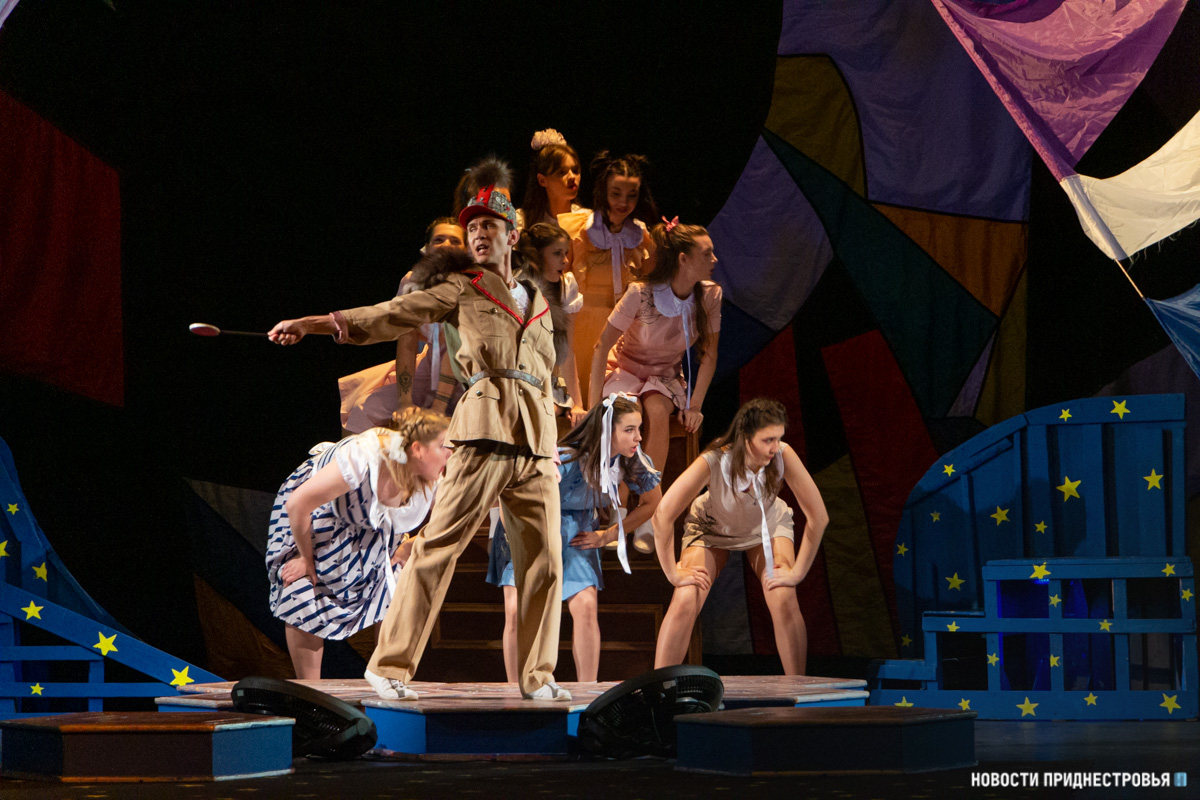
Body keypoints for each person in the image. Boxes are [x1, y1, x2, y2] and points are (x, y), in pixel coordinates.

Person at [269, 184, 570, 701]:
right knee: (438, 547)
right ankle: (390, 666)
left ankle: (538, 677)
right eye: (472, 227)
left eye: (489, 225)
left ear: (513, 236)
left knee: (546, 562)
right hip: (484, 429)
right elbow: (392, 314)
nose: (478, 233)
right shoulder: (463, 288)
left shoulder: (539, 302)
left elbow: (544, 375)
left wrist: (554, 439)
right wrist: (316, 325)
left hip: (536, 442)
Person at [266, 407, 452, 679]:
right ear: (417, 449)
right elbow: (298, 504)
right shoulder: (365, 456)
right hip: (322, 514)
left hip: (375, 531)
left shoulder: (435, 477)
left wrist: (410, 545)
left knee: (396, 585)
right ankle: (309, 688)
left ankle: (386, 678)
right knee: (302, 589)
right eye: (443, 446)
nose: (450, 454)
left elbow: (455, 520)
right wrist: (306, 558)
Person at [488, 394, 661, 682]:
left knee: (585, 606)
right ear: (607, 431)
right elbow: (512, 495)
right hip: (528, 528)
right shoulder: (566, 458)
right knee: (517, 610)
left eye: (639, 429)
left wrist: (607, 536)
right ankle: (515, 689)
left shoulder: (633, 460)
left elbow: (652, 503)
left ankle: (587, 691)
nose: (638, 437)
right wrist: (524, 542)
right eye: (629, 430)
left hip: (577, 531)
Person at [651, 399, 828, 675]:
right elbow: (662, 515)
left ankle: (798, 687)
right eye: (767, 440)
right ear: (746, 438)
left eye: (778, 438)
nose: (775, 447)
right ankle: (660, 688)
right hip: (711, 528)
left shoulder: (783, 455)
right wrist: (673, 573)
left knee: (782, 594)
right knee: (687, 595)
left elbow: (819, 517)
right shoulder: (714, 460)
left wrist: (797, 573)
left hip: (765, 526)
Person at [588, 221, 722, 550]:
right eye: (706, 253)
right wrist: (592, 405)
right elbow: (601, 346)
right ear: (683, 259)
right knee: (628, 415)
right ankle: (619, 510)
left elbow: (709, 353)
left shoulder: (710, 295)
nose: (715, 259)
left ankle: (650, 511)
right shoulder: (642, 293)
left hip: (664, 374)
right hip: (626, 369)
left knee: (658, 412)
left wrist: (695, 405)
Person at [338, 220, 468, 433]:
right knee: (363, 409)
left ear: (466, 250)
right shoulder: (412, 283)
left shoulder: (472, 285)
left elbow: (452, 351)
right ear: (427, 249)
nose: (446, 245)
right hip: (429, 365)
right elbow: (407, 339)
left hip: (466, 374)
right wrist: (404, 402)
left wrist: (437, 408)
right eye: (439, 240)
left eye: (455, 241)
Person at [558, 152, 658, 400]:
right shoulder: (579, 229)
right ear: (603, 191)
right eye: (616, 193)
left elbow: (650, 288)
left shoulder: (641, 236)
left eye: (631, 195)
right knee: (580, 398)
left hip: (623, 329)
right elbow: (559, 279)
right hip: (582, 325)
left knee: (616, 402)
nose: (623, 202)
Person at [516, 222, 586, 427]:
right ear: (537, 256)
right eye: (557, 253)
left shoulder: (566, 287)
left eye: (566, 253)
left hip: (547, 382)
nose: (565, 261)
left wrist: (578, 403)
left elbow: (567, 351)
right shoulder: (517, 288)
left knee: (544, 410)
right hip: (516, 377)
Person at [516, 129, 584, 230]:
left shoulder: (586, 221)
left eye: (575, 171)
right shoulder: (522, 221)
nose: (572, 176)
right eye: (561, 172)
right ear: (542, 180)